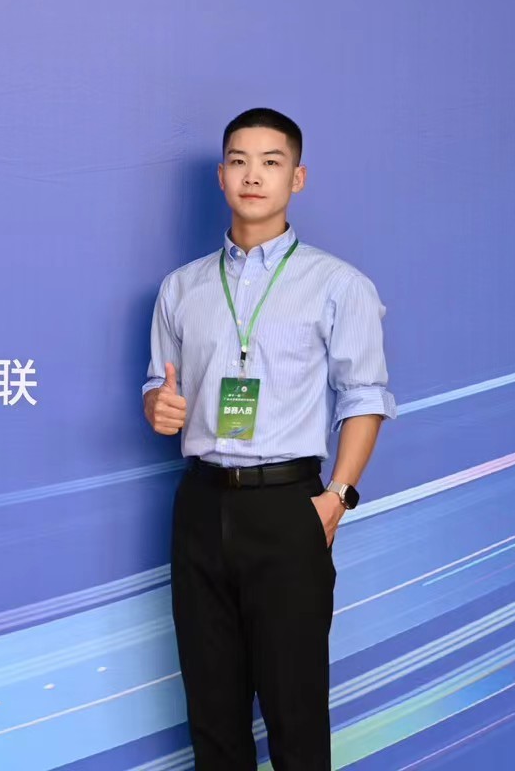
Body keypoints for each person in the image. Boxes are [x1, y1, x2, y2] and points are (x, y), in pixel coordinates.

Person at [142, 107, 396, 771]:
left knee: (294, 712)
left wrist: (337, 497)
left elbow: (365, 397)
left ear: (296, 178)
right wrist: (157, 406)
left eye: (270, 162)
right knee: (212, 715)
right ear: (221, 176)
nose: (252, 175)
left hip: (288, 508)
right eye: (238, 161)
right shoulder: (181, 289)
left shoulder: (337, 284)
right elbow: (158, 386)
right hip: (200, 507)